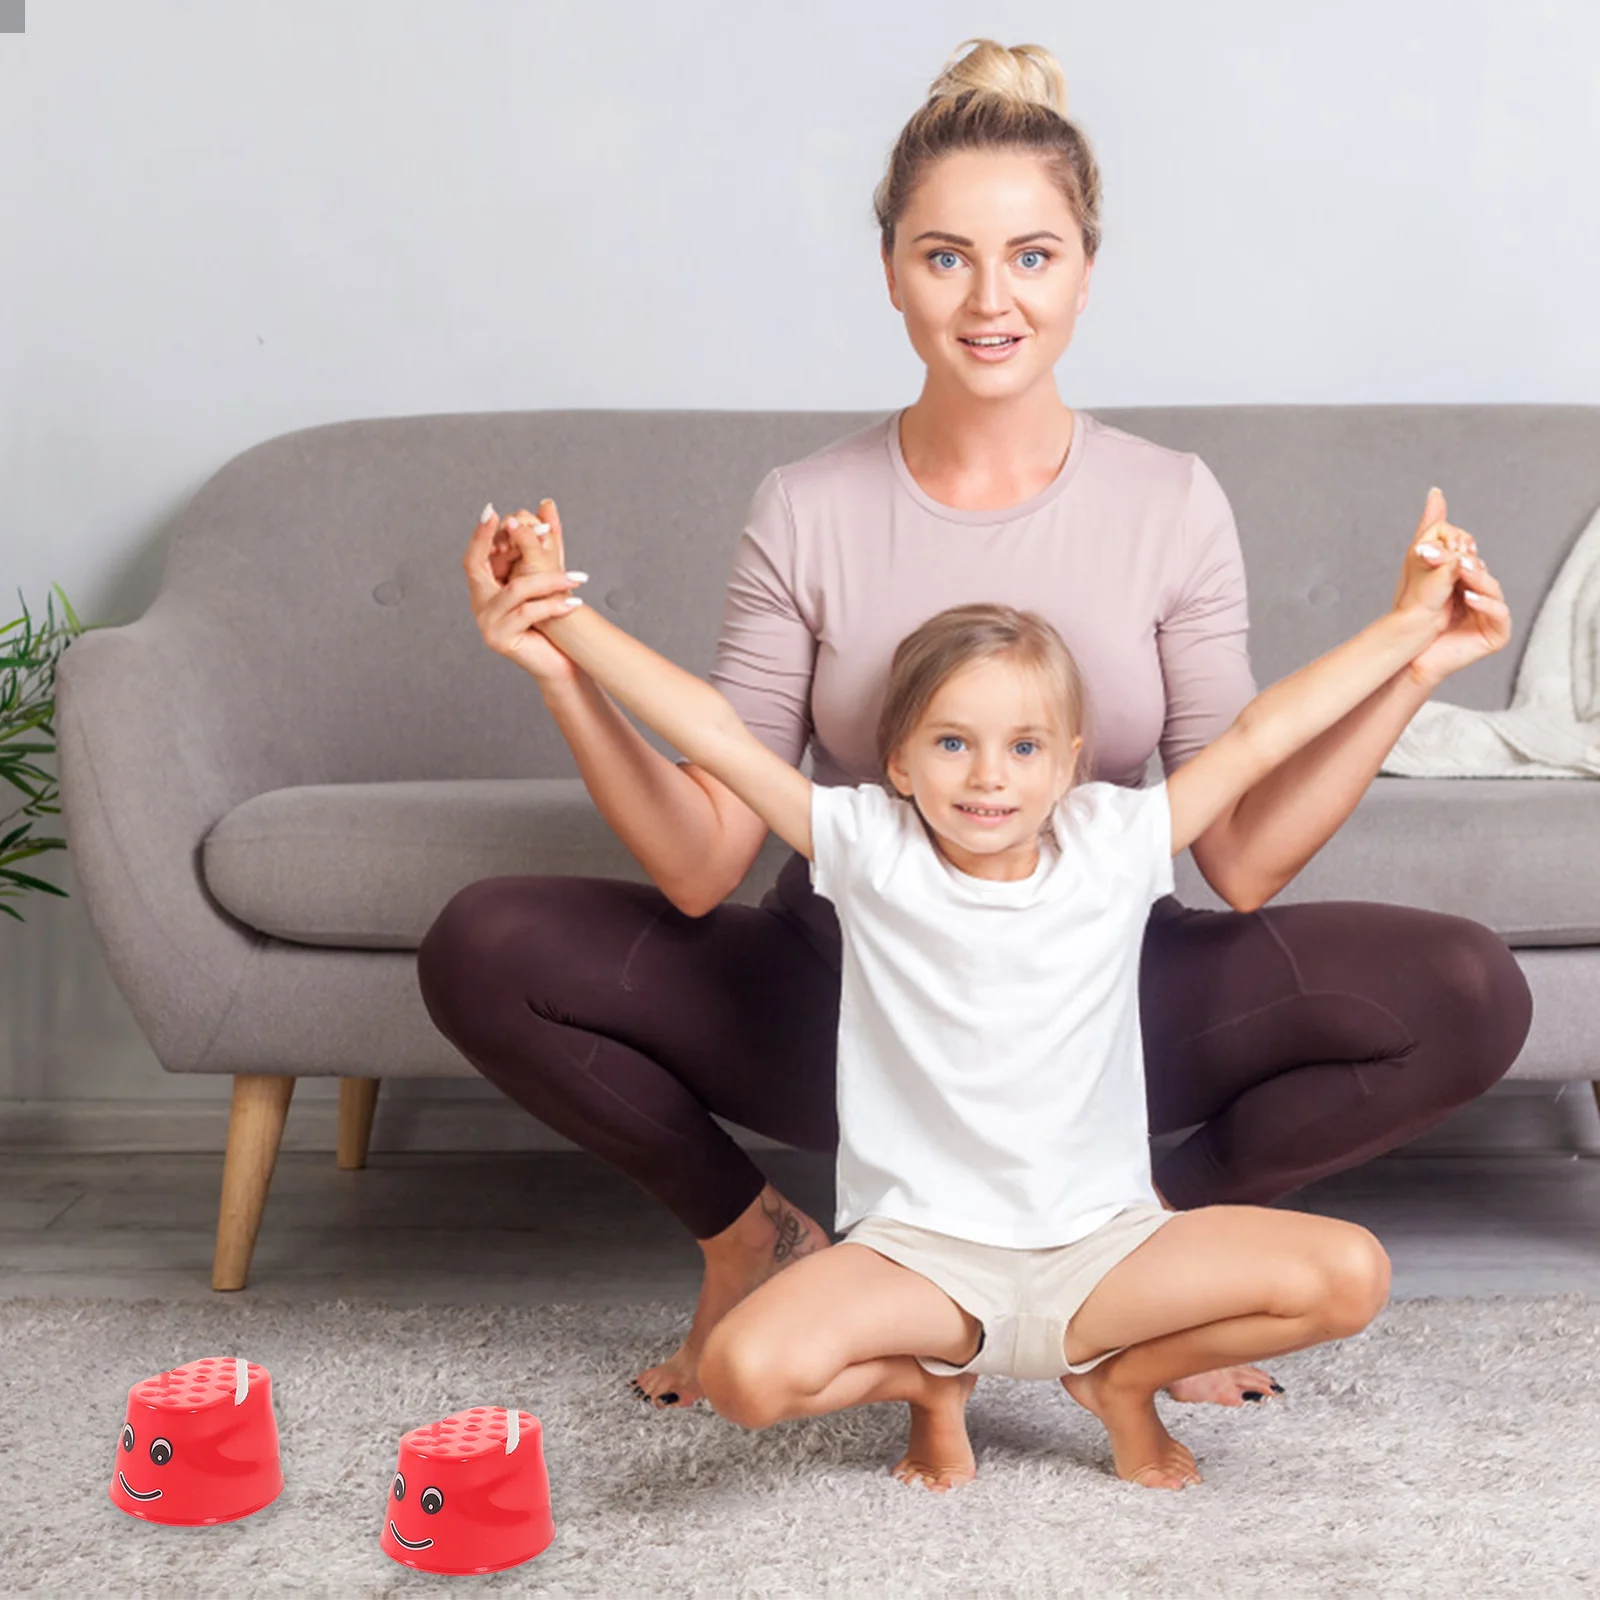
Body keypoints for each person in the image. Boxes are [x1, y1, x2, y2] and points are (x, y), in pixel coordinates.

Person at [417, 37, 1533, 1420]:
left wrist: (1415, 662)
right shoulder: (806, 506)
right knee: (484, 943)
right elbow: (704, 859)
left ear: (1085, 269)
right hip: (847, 990)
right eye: (946, 257)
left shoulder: (1171, 501)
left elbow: (1239, 852)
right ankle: (754, 1241)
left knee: (1469, 989)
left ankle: (1137, 1264)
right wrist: (557, 667)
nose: (991, 300)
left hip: (1092, 996)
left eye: (1034, 256)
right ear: (890, 269)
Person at [454, 481, 1504, 1493]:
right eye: (952, 743)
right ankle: (931, 1381)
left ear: (1070, 765)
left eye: (1023, 747)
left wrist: (1410, 628)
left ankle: (1120, 1380)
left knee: (1351, 1273)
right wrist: (562, 622)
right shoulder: (865, 843)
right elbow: (717, 736)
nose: (989, 776)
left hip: (1104, 1248)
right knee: (741, 1374)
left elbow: (1260, 733)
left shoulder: (1114, 840)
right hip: (917, 1261)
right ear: (899, 763)